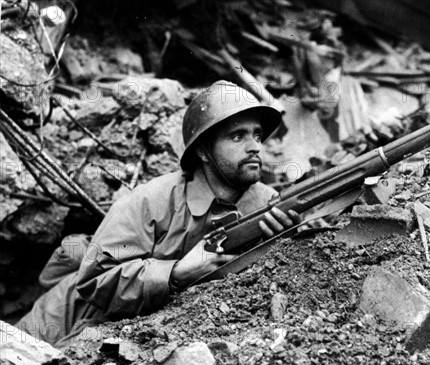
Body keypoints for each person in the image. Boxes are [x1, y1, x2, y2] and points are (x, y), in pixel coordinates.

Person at [17, 80, 300, 348]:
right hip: (62, 323)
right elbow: (94, 279)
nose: (255, 147)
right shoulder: (150, 202)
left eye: (258, 135)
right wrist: (175, 274)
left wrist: (286, 241)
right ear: (203, 151)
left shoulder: (268, 204)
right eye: (237, 136)